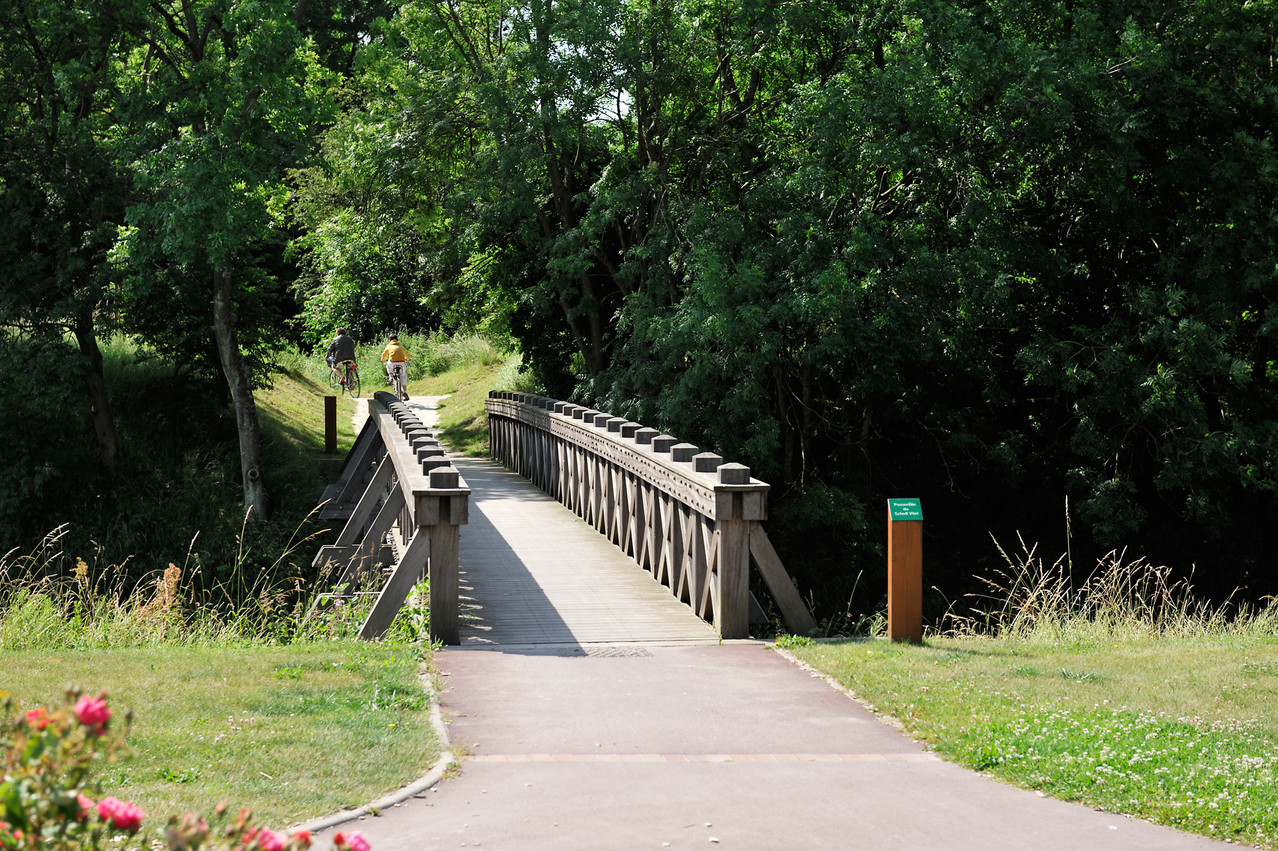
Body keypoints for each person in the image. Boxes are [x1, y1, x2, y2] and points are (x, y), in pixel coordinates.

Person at [381, 333, 410, 400]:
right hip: (402, 363)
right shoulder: (400, 345)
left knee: (388, 365)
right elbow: (405, 353)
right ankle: (405, 392)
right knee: (403, 375)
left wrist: (383, 360)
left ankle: (391, 377)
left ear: (390, 340)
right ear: (397, 339)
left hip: (392, 363)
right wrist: (407, 359)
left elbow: (384, 354)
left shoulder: (388, 346)